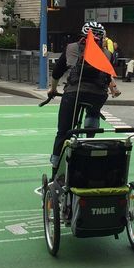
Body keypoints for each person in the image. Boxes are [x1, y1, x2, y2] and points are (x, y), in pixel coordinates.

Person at [48, 21, 117, 178]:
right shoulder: (107, 54)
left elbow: (57, 72)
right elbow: (107, 77)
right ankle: (90, 135)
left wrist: (53, 89)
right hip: (98, 95)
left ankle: (56, 170)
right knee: (93, 112)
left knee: (63, 132)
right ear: (102, 38)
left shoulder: (71, 48)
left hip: (74, 93)